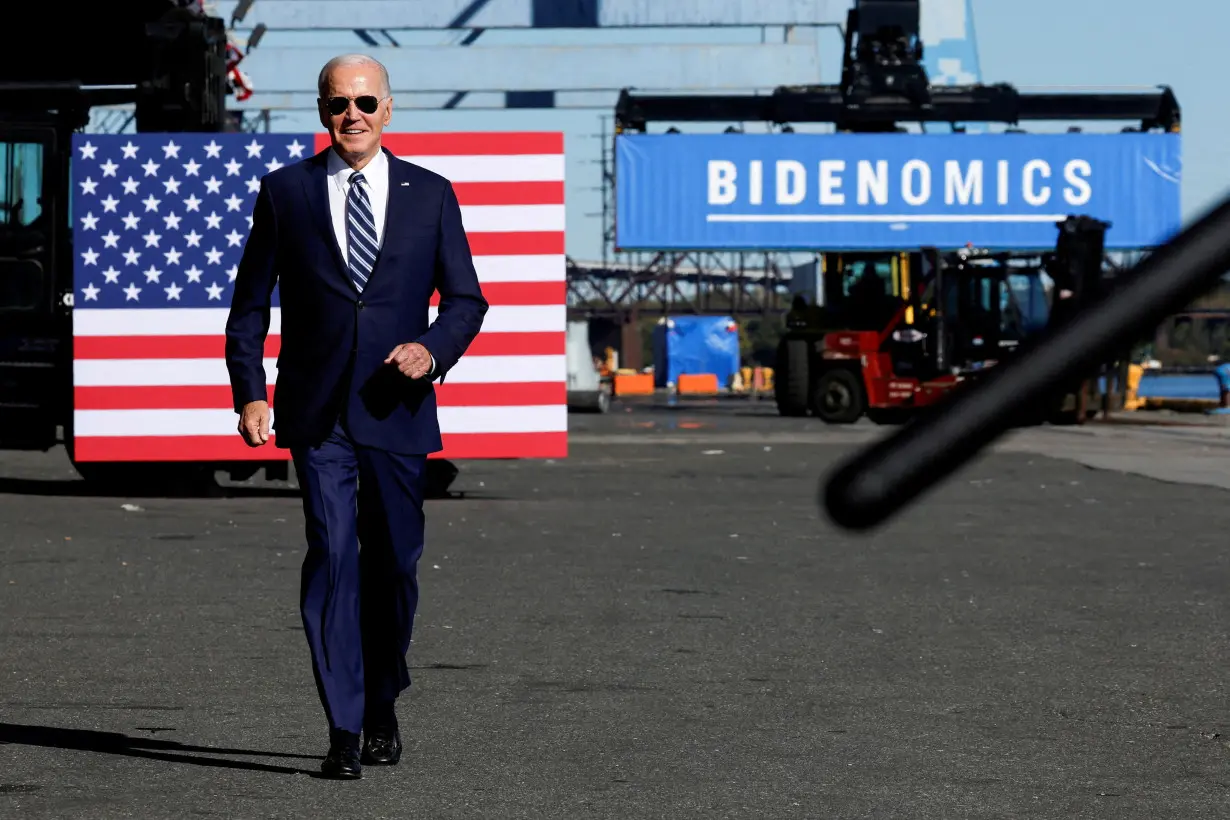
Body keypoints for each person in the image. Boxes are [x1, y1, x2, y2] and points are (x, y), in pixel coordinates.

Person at [224, 53, 489, 780]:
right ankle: (343, 726)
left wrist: (432, 350)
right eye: (339, 103)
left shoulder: (431, 195)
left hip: (396, 413)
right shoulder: (286, 193)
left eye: (366, 102)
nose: (353, 116)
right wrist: (249, 391)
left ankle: (381, 700)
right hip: (316, 417)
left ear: (388, 109)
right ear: (321, 110)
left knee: (395, 567)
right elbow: (248, 308)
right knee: (334, 556)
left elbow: (467, 301)